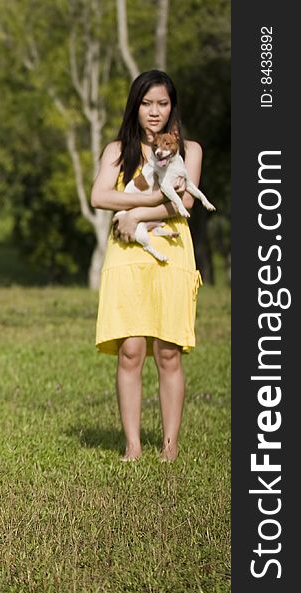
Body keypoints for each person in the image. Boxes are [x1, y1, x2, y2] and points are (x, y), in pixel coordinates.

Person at [90, 70, 204, 462]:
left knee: (168, 350)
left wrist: (135, 214)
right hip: (128, 253)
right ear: (134, 105)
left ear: (173, 106)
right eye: (146, 103)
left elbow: (184, 203)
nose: (154, 112)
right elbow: (99, 196)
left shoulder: (190, 149)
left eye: (162, 103)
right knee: (131, 350)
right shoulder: (117, 151)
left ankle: (169, 448)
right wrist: (139, 212)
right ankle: (133, 446)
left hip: (171, 251)